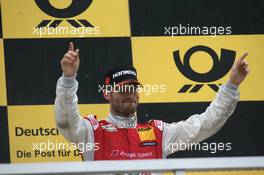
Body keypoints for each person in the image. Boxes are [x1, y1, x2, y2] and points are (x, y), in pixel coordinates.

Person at [55, 42, 249, 161]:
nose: (129, 93)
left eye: (133, 88)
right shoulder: (92, 132)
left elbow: (205, 125)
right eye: (122, 89)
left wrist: (231, 86)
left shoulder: (158, 133)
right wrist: (68, 79)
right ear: (107, 93)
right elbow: (66, 120)